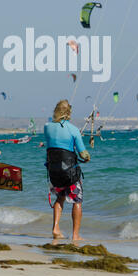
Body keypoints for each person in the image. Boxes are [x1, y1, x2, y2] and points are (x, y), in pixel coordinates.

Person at [44, 100, 90, 241]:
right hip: (70, 174)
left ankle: (55, 228)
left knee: (60, 197)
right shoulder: (74, 130)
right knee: (77, 201)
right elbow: (83, 153)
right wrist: (87, 157)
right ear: (68, 113)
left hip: (54, 172)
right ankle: (75, 235)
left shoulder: (47, 127)